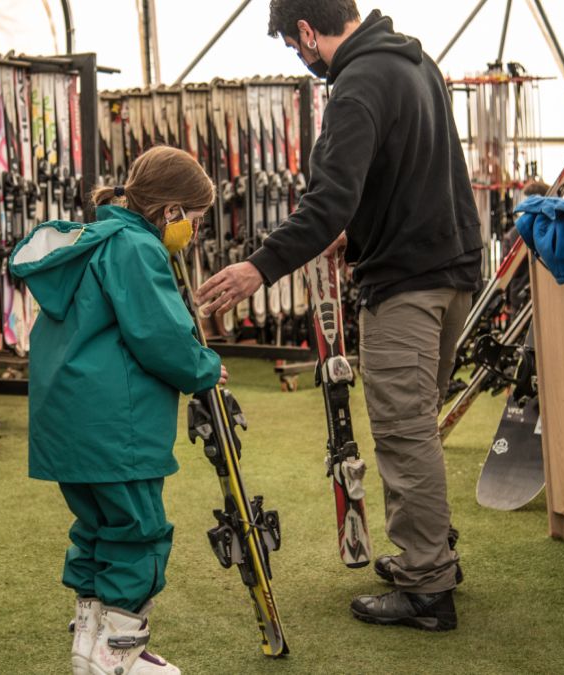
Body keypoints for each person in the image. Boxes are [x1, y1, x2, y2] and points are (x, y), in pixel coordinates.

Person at [196, 1, 483, 632]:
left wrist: (258, 269)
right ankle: (433, 553)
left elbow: (330, 201)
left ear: (307, 29)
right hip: (454, 271)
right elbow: (413, 174)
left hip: (406, 285)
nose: (303, 60)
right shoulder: (416, 62)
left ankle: (427, 586)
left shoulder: (356, 85)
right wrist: (359, 232)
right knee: (420, 429)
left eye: (296, 48)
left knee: (404, 433)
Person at [9, 146, 224, 675]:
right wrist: (204, 367)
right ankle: (119, 654)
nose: (193, 231)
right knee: (138, 530)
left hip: (67, 427)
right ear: (170, 211)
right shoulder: (136, 247)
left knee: (96, 528)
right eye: (194, 219)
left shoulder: (90, 243)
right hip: (116, 429)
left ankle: (88, 643)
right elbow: (159, 334)